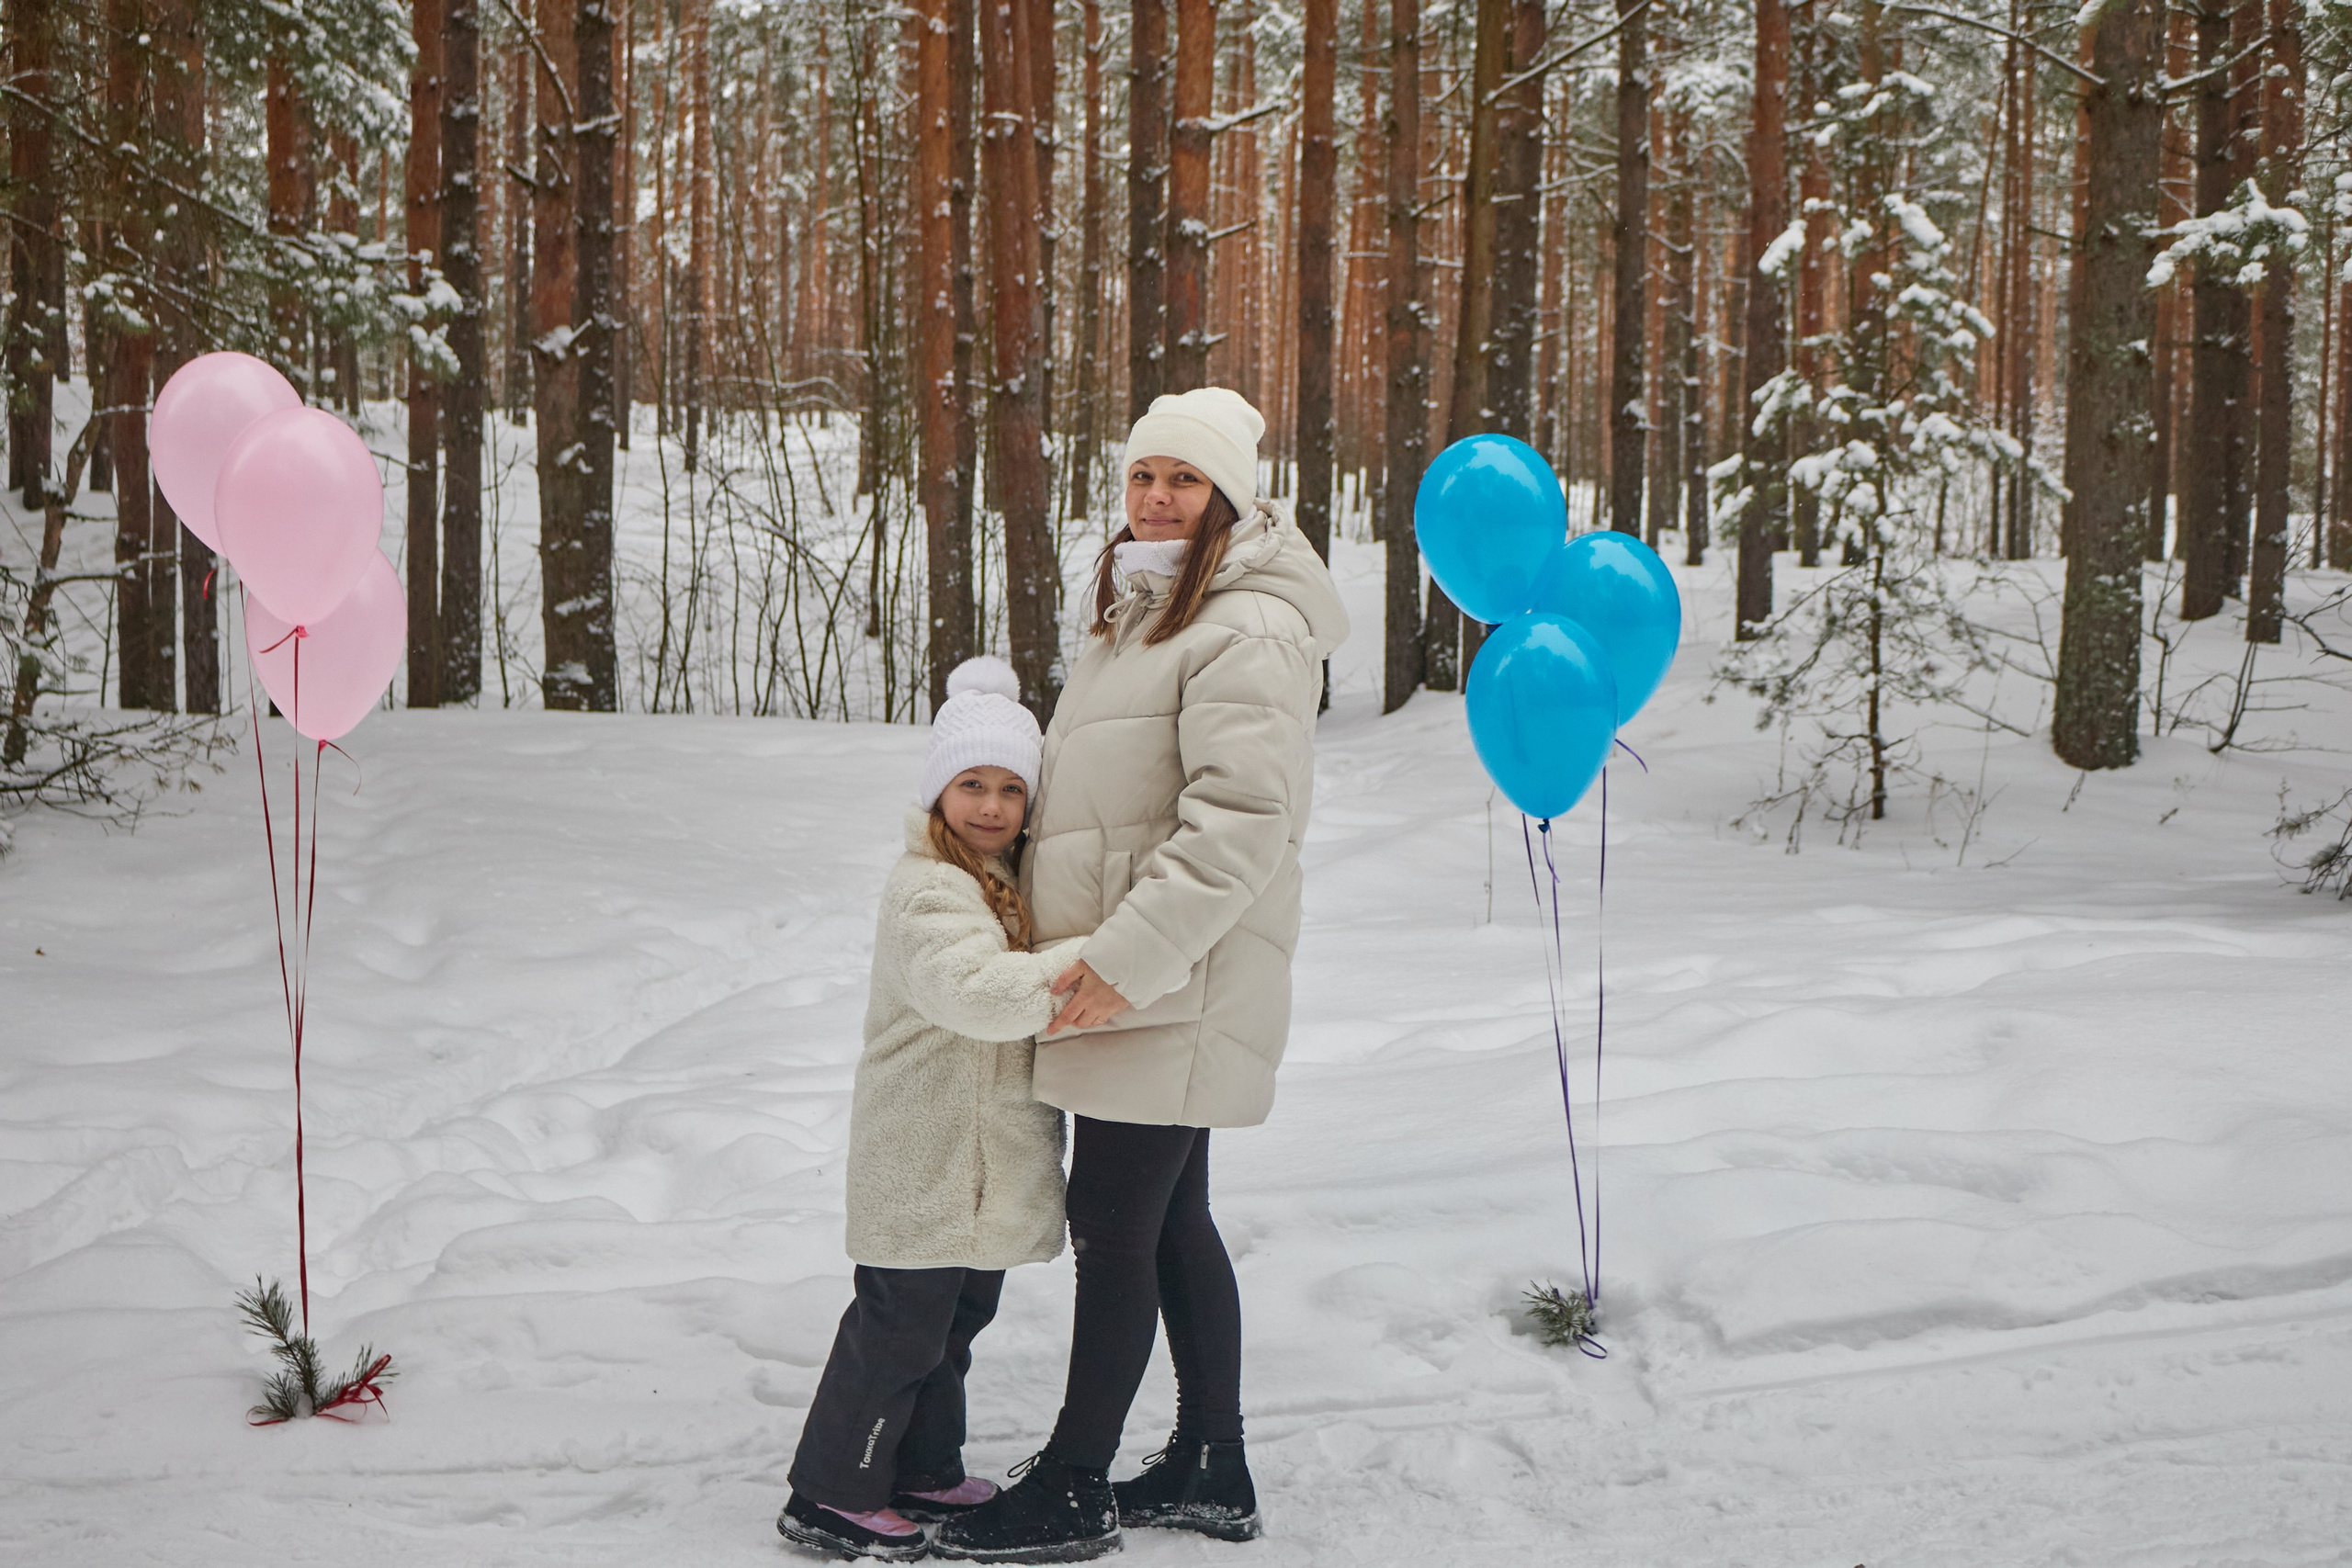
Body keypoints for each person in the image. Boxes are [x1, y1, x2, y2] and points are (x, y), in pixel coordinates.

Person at [932, 388, 1350, 1563]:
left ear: (1230, 498)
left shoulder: (1244, 627)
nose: (1158, 497)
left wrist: (1124, 961)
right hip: (1134, 972)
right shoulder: (1140, 610)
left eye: (1185, 480)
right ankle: (1211, 1461)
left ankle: (1074, 1483)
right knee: (1168, 1222)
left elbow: (1237, 825)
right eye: (1142, 476)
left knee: (1117, 1224)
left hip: (1169, 975)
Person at [778, 657, 1082, 1562]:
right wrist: (1088, 965)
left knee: (951, 1326)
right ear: (938, 793)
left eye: (1008, 789)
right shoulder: (929, 887)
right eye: (971, 785)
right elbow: (974, 992)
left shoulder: (1001, 882)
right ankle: (833, 1490)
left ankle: (920, 1466)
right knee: (899, 1332)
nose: (990, 805)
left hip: (978, 1170)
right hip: (923, 1156)